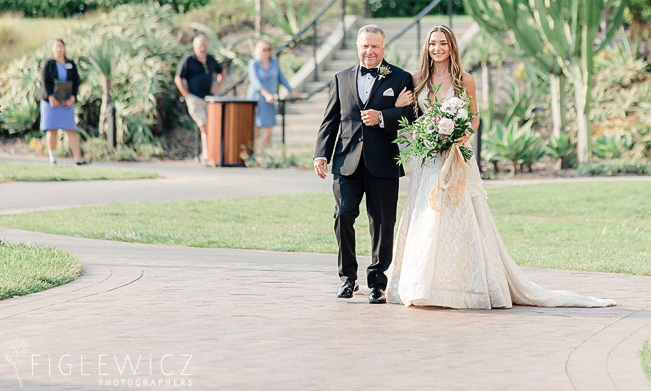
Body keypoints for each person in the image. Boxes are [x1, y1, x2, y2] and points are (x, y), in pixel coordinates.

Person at [387, 25, 615, 309]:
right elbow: (410, 115)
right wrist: (402, 108)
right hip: (428, 160)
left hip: (457, 157)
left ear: (451, 47)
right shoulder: (416, 79)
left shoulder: (464, 80)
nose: (437, 48)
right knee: (427, 216)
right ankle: (422, 285)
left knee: (459, 215)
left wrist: (463, 134)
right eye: (433, 43)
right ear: (426, 47)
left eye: (443, 43)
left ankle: (464, 286)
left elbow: (474, 118)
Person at [314, 24, 415, 304]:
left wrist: (383, 116)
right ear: (358, 47)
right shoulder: (341, 78)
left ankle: (377, 282)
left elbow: (411, 113)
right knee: (343, 215)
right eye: (365, 46)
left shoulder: (400, 77)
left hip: (383, 163)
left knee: (382, 223)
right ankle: (348, 278)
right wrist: (321, 153)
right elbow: (330, 119)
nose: (369, 51)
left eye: (375, 46)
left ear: (384, 48)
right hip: (346, 161)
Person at [175, 34, 226, 162]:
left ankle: (212, 153)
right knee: (204, 125)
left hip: (209, 98)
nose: (202, 49)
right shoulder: (189, 60)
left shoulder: (210, 60)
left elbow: (222, 71)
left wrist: (218, 85)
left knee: (212, 126)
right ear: (194, 47)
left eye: (204, 46)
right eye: (200, 46)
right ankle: (207, 154)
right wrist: (187, 95)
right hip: (195, 98)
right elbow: (178, 78)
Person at [40, 39, 87, 165]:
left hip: (67, 100)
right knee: (52, 129)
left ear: (64, 48)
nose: (58, 49)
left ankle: (78, 159)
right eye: (56, 47)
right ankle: (53, 158)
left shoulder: (70, 64)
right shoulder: (48, 64)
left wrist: (73, 97)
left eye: (60, 47)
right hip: (51, 102)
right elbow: (45, 81)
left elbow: (76, 81)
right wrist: (50, 97)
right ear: (52, 48)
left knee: (71, 129)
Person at [246, 39, 297, 151]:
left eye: (269, 49)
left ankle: (261, 152)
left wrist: (292, 92)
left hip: (270, 100)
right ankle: (253, 151)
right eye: (264, 49)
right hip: (257, 98)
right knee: (256, 126)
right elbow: (256, 82)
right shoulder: (254, 63)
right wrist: (266, 94)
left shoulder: (274, 62)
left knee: (269, 128)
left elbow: (282, 78)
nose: (267, 52)